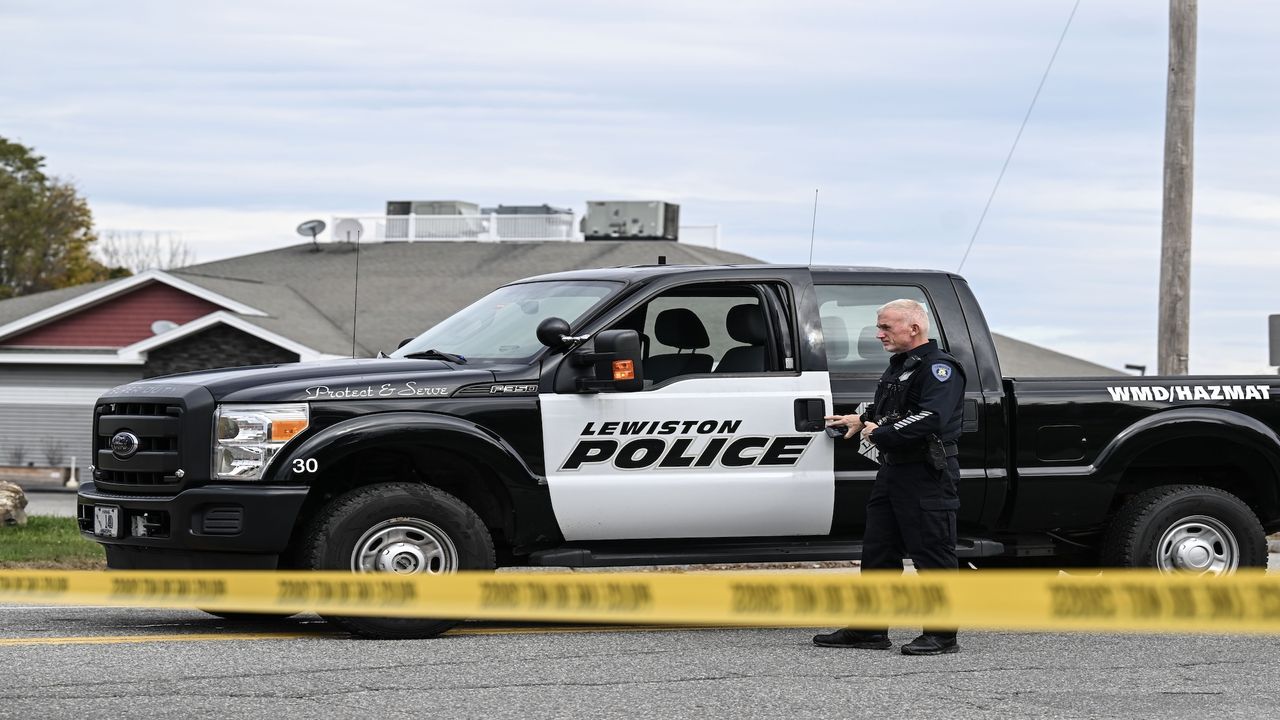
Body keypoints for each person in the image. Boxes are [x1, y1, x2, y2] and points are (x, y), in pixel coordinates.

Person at [813, 299, 966, 656]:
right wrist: (858, 419)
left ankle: (942, 635)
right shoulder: (902, 366)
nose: (878, 334)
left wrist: (877, 433)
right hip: (894, 471)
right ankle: (870, 630)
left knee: (933, 553)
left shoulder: (939, 368)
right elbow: (888, 409)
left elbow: (931, 417)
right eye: (878, 327)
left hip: (926, 473)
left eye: (886, 327)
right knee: (878, 552)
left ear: (914, 328)